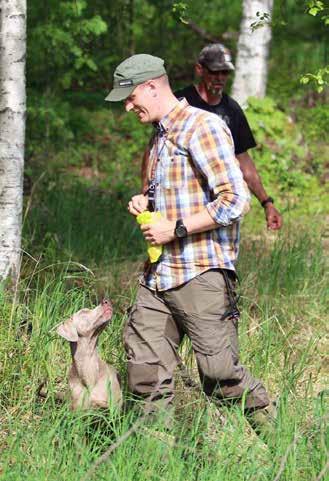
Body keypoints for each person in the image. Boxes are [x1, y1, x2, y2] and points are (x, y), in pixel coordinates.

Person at [105, 54, 273, 432]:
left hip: (201, 272)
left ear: (151, 85)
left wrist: (175, 229)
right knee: (145, 376)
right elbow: (179, 193)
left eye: (131, 97)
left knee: (219, 376)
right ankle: (154, 465)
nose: (129, 106)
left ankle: (287, 445)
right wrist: (146, 201)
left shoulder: (203, 126)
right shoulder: (162, 134)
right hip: (158, 277)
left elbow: (235, 200)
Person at [142, 43, 282, 230]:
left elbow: (243, 160)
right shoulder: (179, 102)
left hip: (216, 208)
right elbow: (154, 151)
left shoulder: (232, 110)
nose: (220, 78)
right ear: (200, 69)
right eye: (215, 72)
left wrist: (267, 203)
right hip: (177, 202)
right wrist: (146, 194)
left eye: (225, 73)